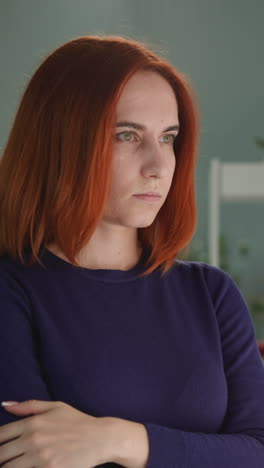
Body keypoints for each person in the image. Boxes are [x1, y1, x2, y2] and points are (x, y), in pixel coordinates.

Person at [0, 34, 263, 468]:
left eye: (168, 138)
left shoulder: (212, 294)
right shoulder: (12, 294)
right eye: (127, 135)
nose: (159, 167)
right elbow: (29, 458)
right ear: (62, 143)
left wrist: (119, 439)